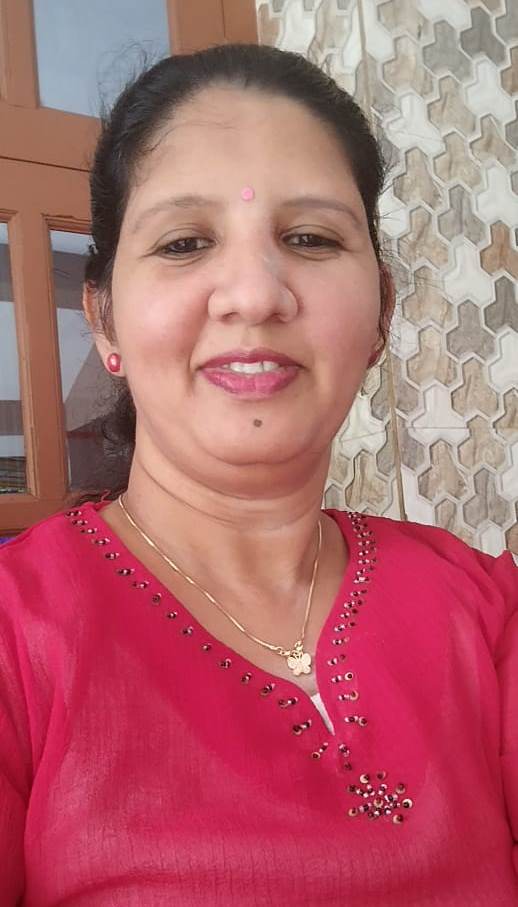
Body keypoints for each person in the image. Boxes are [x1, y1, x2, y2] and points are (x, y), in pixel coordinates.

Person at [0, 43, 516, 907]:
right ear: (104, 317)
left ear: (382, 313)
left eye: (310, 238)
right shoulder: (18, 638)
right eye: (184, 242)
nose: (254, 293)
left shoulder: (487, 609)